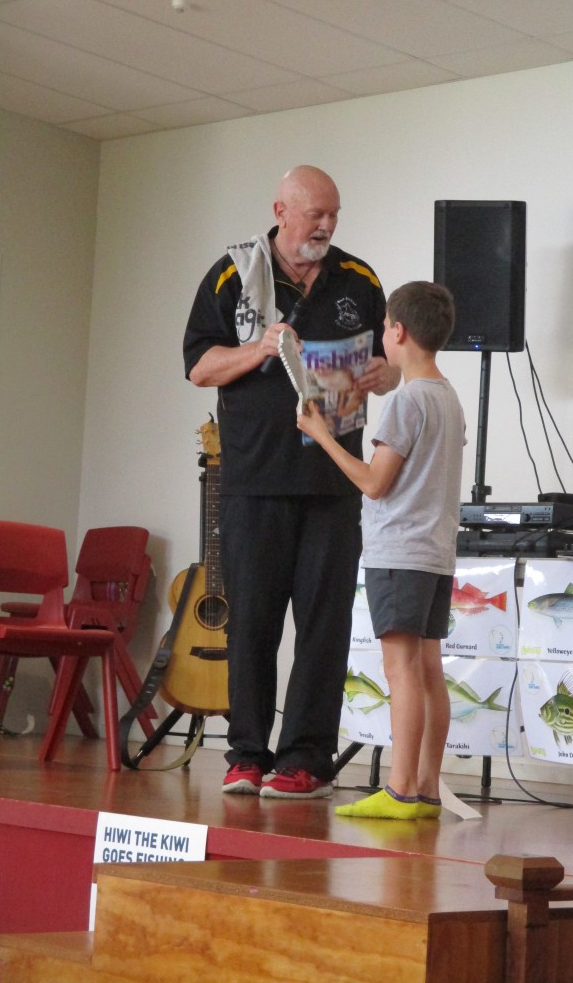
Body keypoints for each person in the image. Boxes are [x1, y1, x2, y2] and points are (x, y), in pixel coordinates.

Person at [183, 165, 399, 799]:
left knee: (324, 627)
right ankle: (246, 754)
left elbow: (392, 365)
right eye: (315, 215)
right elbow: (199, 367)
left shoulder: (360, 279)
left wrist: (379, 376)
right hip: (253, 480)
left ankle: (306, 759)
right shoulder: (232, 274)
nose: (326, 226)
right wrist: (260, 348)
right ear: (281, 211)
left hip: (333, 483)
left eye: (334, 215)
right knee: (251, 624)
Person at [297, 281, 465, 819]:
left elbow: (374, 483)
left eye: (386, 328)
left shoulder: (406, 401)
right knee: (428, 668)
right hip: (435, 553)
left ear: (398, 331)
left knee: (401, 670)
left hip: (399, 553)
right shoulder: (448, 397)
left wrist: (322, 434)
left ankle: (399, 790)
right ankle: (427, 789)